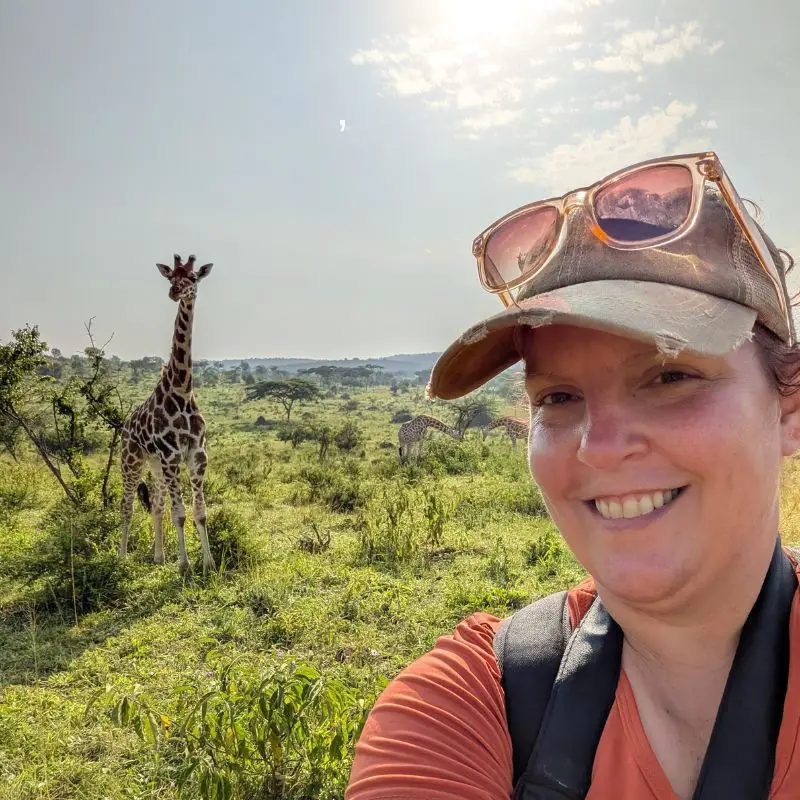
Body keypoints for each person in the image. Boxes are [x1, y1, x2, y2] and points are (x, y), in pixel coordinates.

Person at [344, 152, 800, 800]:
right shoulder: (472, 704)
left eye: (670, 376)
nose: (601, 448)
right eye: (557, 398)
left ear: (789, 409)